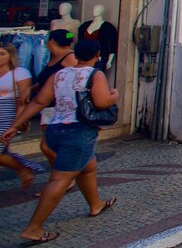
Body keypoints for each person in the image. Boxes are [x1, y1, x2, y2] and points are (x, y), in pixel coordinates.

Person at [1, 39, 118, 244]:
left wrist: (15, 125)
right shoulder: (94, 74)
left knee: (87, 166)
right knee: (60, 180)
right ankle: (34, 228)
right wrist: (114, 96)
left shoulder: (60, 74)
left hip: (55, 130)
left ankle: (96, 203)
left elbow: (39, 101)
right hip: (78, 132)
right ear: (97, 55)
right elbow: (101, 102)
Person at [35, 30, 77, 190]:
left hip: (59, 108)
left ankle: (63, 178)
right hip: (48, 106)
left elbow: (79, 80)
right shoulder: (55, 58)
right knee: (50, 146)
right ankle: (60, 178)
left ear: (51, 41)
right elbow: (48, 80)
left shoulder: (70, 58)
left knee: (48, 147)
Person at [1, 43, 41, 189]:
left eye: (2, 54)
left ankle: (23, 169)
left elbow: (23, 102)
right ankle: (23, 169)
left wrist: (17, 123)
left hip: (8, 112)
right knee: (2, 150)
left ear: (10, 56)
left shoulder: (19, 73)